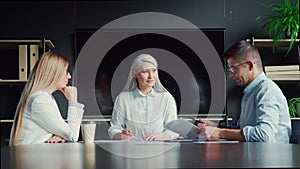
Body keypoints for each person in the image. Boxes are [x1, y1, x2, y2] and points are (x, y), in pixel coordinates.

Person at [198, 40, 292, 143]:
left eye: (233, 69)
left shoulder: (267, 90)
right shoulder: (250, 93)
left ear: (250, 66)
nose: (230, 75)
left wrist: (221, 133)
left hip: (270, 157)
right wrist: (216, 128)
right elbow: (241, 129)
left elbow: (264, 135)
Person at [9, 52, 85, 146]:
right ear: (54, 73)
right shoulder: (40, 100)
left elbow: (64, 131)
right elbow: (73, 135)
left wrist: (60, 135)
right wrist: (72, 101)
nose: (69, 76)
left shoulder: (45, 97)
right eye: (65, 72)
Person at [108, 53, 179, 140]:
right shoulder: (123, 99)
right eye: (145, 71)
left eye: (154, 70)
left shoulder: (166, 98)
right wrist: (122, 136)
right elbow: (114, 129)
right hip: (131, 151)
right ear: (134, 74)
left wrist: (159, 136)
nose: (151, 76)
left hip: (159, 151)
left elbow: (174, 131)